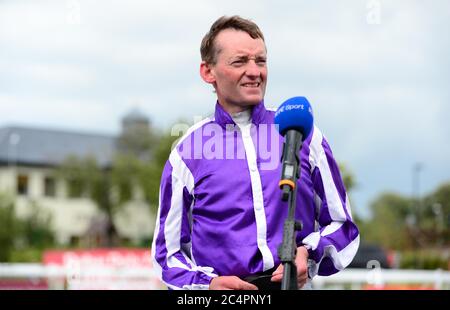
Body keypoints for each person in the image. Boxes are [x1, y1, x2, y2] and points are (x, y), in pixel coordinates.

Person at [151, 15, 359, 290]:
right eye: (240, 62)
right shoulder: (187, 151)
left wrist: (308, 254)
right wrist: (208, 285)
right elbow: (168, 254)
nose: (254, 71)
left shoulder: (305, 133)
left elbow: (342, 225)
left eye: (260, 61)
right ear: (208, 72)